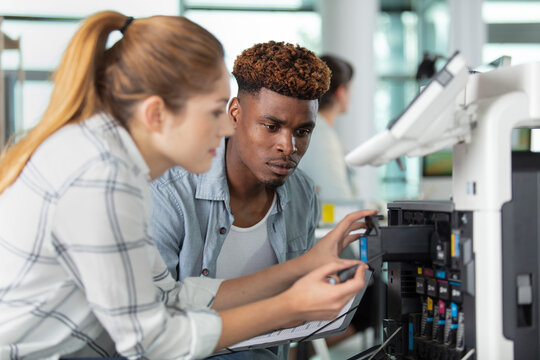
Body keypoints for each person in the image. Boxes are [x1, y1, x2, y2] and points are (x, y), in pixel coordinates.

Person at [0, 11, 376, 359]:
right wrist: (289, 307)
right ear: (157, 114)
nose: (225, 128)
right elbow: (150, 342)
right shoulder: (101, 178)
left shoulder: (109, 161)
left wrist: (305, 266)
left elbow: (170, 296)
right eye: (215, 112)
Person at [150, 40, 332, 359]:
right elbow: (151, 320)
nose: (287, 147)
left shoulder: (303, 194)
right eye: (271, 126)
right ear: (235, 113)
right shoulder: (170, 191)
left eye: (303, 132)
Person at [298, 54, 356, 201]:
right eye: (350, 89)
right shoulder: (322, 137)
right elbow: (337, 199)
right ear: (341, 92)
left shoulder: (313, 131)